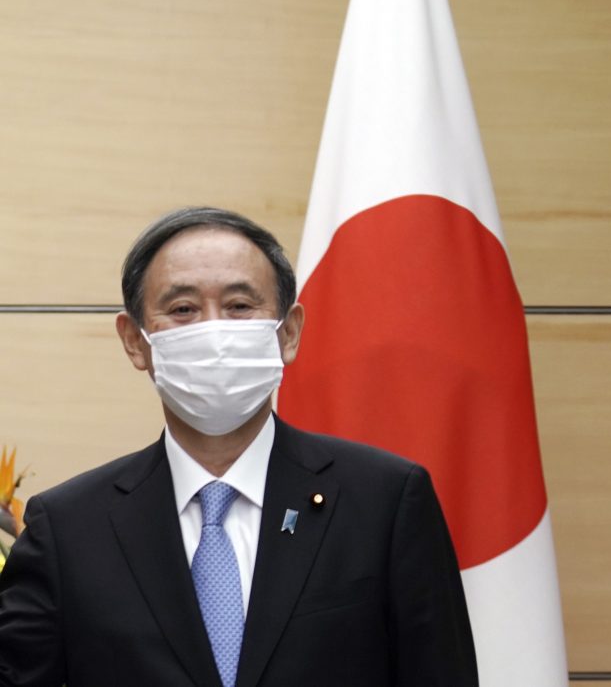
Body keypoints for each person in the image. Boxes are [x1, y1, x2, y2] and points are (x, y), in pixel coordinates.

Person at [0, 206, 478, 687]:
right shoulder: (68, 527)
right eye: (183, 309)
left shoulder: (385, 502)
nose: (214, 331)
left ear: (288, 332)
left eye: (240, 306)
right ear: (136, 342)